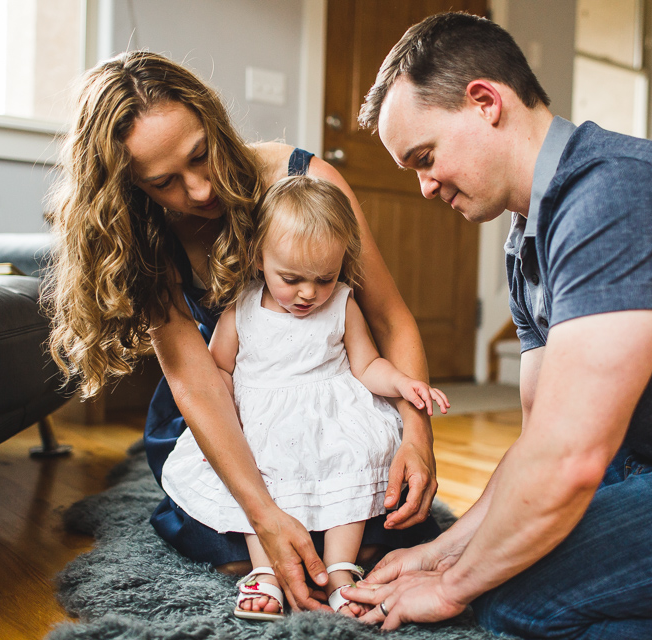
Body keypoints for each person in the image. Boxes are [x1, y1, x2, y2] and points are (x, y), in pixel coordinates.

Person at [342, 12, 652, 638]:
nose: (424, 187)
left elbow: (570, 459)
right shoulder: (526, 240)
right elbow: (540, 442)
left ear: (485, 102)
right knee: (498, 569)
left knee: (511, 604)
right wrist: (439, 553)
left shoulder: (615, 196)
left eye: (425, 156)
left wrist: (448, 587)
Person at [45, 51, 443, 613]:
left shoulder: (306, 182)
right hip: (225, 405)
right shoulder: (145, 235)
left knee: (370, 527)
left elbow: (389, 318)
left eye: (201, 155)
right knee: (244, 550)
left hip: (326, 395)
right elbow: (199, 383)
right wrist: (263, 513)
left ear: (212, 122)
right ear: (133, 189)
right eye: (165, 183)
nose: (201, 190)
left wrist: (416, 437)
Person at [162, 175, 449, 619]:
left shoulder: (343, 304)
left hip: (332, 415)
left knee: (353, 456)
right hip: (264, 416)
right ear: (259, 257)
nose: (310, 293)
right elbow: (217, 368)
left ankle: (340, 569)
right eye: (292, 278)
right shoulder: (242, 307)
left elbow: (368, 366)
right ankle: (266, 572)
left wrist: (404, 386)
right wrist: (219, 423)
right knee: (257, 471)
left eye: (325, 278)